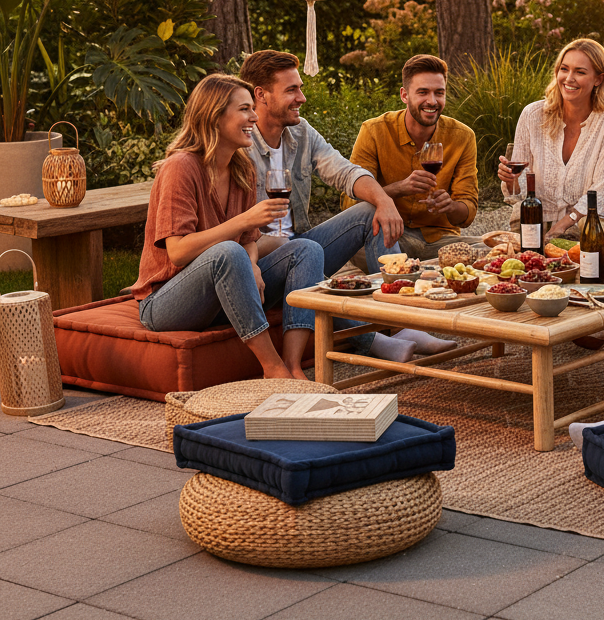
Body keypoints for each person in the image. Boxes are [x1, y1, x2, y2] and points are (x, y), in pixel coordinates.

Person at [240, 50, 456, 363]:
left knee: (369, 213)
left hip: (300, 244)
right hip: (261, 256)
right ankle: (376, 342)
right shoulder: (240, 144)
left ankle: (402, 324)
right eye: (292, 90)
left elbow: (345, 171)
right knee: (305, 254)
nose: (301, 97)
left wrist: (383, 199)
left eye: (299, 88)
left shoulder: (300, 133)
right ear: (260, 95)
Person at [131, 73, 322, 380]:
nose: (254, 117)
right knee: (227, 252)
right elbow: (178, 252)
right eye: (245, 109)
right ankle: (272, 369)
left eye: (252, 109)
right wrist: (243, 222)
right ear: (215, 116)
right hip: (166, 303)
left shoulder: (241, 167)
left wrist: (253, 266)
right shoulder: (180, 167)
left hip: (224, 294)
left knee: (306, 249)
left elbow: (248, 240)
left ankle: (293, 364)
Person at [343, 54, 480, 261]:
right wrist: (399, 189)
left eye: (439, 93)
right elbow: (350, 204)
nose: (432, 101)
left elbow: (467, 211)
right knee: (353, 252)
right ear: (404, 95)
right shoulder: (374, 131)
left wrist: (450, 206)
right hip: (389, 236)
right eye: (423, 92)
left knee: (495, 250)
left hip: (440, 241)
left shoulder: (463, 136)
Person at [497, 38, 604, 243]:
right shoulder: (532, 114)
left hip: (587, 221)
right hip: (534, 218)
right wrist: (512, 181)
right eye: (564, 69)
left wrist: (562, 226)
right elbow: (518, 192)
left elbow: (603, 191)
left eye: (580, 72)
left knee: (585, 243)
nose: (569, 78)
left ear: (598, 79)